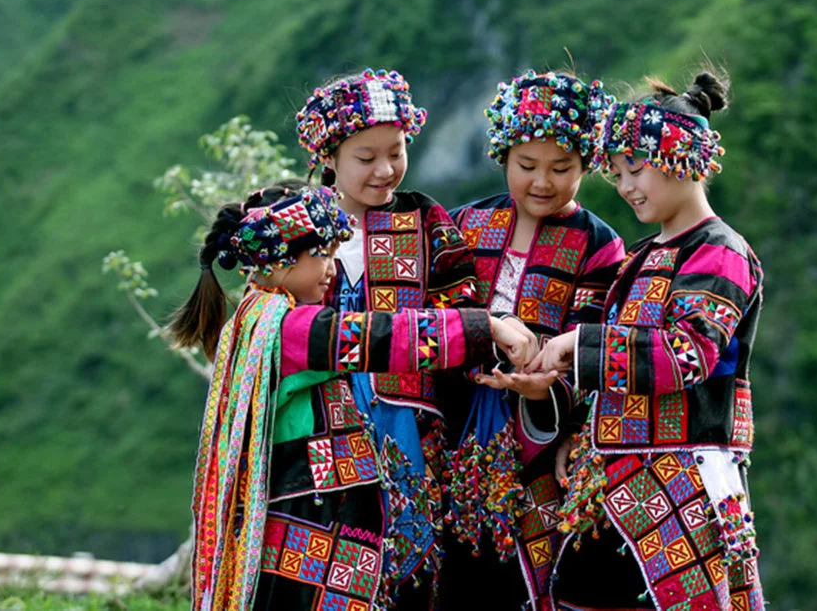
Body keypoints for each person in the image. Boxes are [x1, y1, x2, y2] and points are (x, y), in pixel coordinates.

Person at [172, 183, 534, 611]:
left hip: (312, 515)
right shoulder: (291, 330)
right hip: (310, 518)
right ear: (282, 259)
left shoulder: (262, 320)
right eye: (321, 254)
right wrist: (484, 329)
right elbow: (380, 337)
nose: (331, 268)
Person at [530, 71, 766, 611]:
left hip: (682, 487)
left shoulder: (721, 252)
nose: (627, 186)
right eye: (615, 174)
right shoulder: (638, 257)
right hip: (609, 487)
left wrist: (580, 347)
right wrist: (575, 427)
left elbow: (688, 354)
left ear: (683, 159)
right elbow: (613, 364)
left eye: (636, 169)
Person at [295, 68, 498, 606]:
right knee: (327, 556)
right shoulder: (298, 229)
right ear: (328, 156)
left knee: (409, 559)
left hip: (407, 423)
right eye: (366, 158)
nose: (386, 170)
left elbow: (462, 304)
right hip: (320, 419)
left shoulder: (424, 220)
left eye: (397, 151)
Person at [439, 70, 625, 610]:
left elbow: (591, 348)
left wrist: (548, 395)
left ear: (586, 164)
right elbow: (440, 311)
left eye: (561, 168)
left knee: (525, 576)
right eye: (527, 166)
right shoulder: (465, 224)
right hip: (453, 432)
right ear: (502, 156)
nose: (542, 181)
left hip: (540, 443)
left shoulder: (598, 246)